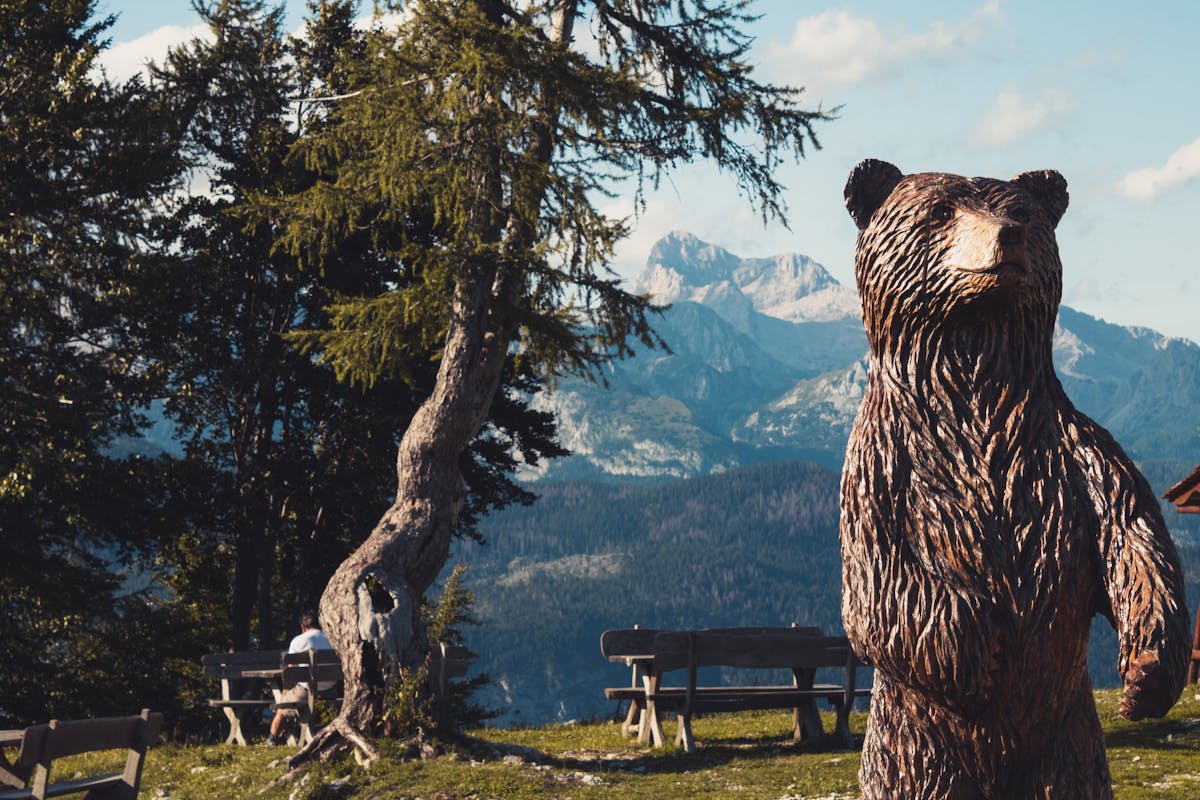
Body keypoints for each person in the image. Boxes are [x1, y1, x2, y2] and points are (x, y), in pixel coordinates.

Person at [266, 611, 333, 745]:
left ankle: (271, 739)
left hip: (307, 692)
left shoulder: (299, 640)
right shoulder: (331, 639)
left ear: (303, 627)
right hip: (331, 691)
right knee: (287, 695)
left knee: (282, 704)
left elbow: (291, 670)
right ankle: (290, 735)